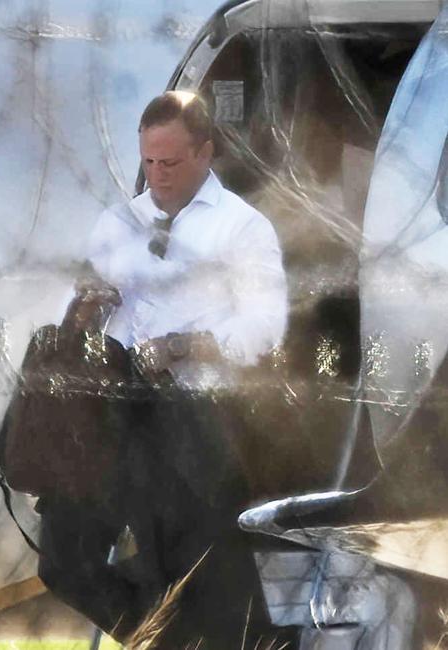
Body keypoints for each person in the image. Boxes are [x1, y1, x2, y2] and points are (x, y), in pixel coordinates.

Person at [85, 91, 289, 648]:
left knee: (206, 572)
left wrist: (189, 346)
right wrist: (84, 310)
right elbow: (92, 318)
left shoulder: (242, 229)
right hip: (124, 417)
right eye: (149, 161)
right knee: (76, 561)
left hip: (204, 422)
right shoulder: (116, 224)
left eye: (170, 163)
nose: (157, 175)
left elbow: (266, 327)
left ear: (205, 154)